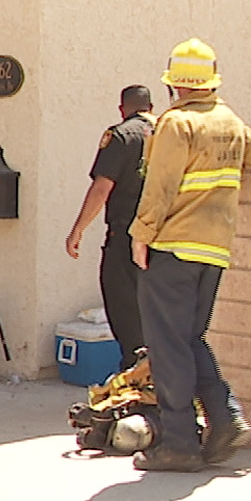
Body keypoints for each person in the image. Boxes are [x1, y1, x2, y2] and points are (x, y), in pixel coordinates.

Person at [130, 38, 251, 472]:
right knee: (190, 339)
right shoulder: (230, 120)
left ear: (174, 84)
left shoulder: (176, 123)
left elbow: (160, 186)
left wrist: (141, 235)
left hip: (173, 247)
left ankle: (180, 445)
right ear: (211, 80)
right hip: (214, 249)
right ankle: (225, 418)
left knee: (167, 346)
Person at [64, 84, 156, 370]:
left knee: (126, 314)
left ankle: (135, 377)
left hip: (126, 240)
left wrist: (78, 229)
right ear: (151, 109)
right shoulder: (169, 135)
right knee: (155, 316)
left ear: (122, 109)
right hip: (162, 240)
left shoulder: (121, 136)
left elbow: (102, 188)